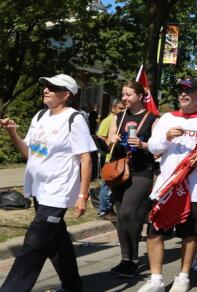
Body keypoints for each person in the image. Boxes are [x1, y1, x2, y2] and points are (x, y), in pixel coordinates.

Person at [0, 74, 96, 292]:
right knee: (56, 241)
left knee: (34, 242)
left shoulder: (74, 119)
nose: (46, 89)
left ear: (66, 94)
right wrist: (13, 133)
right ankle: (73, 285)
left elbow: (85, 158)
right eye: (45, 86)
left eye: (53, 87)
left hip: (58, 191)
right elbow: (29, 153)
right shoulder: (41, 116)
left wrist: (83, 195)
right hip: (39, 189)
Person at [137, 78, 197, 292]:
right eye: (181, 90)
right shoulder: (166, 118)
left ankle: (183, 276)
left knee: (190, 234)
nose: (184, 94)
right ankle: (156, 279)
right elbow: (154, 148)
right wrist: (166, 137)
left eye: (189, 90)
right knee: (154, 231)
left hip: (195, 189)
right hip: (167, 185)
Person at [106, 80, 160, 277]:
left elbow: (157, 147)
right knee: (120, 214)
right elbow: (108, 141)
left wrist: (143, 144)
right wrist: (110, 140)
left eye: (128, 94)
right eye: (123, 94)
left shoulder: (152, 118)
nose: (124, 98)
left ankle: (135, 259)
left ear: (139, 96)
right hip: (120, 170)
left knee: (129, 211)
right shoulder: (118, 117)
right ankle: (125, 258)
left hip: (142, 171)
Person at [96, 98, 125, 220]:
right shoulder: (109, 120)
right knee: (107, 184)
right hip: (109, 157)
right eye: (120, 108)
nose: (123, 110)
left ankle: (109, 208)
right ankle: (104, 210)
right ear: (113, 109)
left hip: (118, 157)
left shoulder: (122, 120)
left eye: (124, 108)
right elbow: (100, 137)